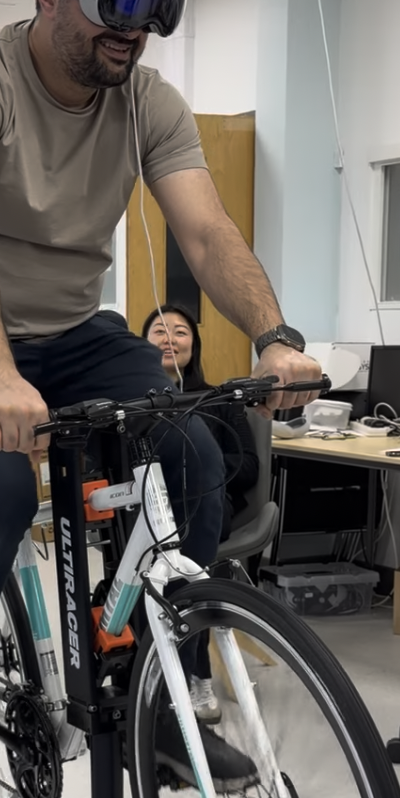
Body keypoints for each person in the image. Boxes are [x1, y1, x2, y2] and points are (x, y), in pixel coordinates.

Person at [0, 0, 321, 796]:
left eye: (154, 10)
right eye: (116, 4)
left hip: (76, 330)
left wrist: (275, 338)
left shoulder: (149, 101)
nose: (134, 33)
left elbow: (205, 232)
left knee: (195, 463)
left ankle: (148, 690)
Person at [141, 303, 261, 724]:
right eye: (159, 330)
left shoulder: (218, 399)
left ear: (194, 343)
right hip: (150, 511)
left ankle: (194, 676)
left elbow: (247, 465)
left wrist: (201, 471)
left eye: (180, 332)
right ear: (143, 344)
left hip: (206, 504)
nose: (170, 338)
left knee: (186, 565)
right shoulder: (132, 405)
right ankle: (153, 673)